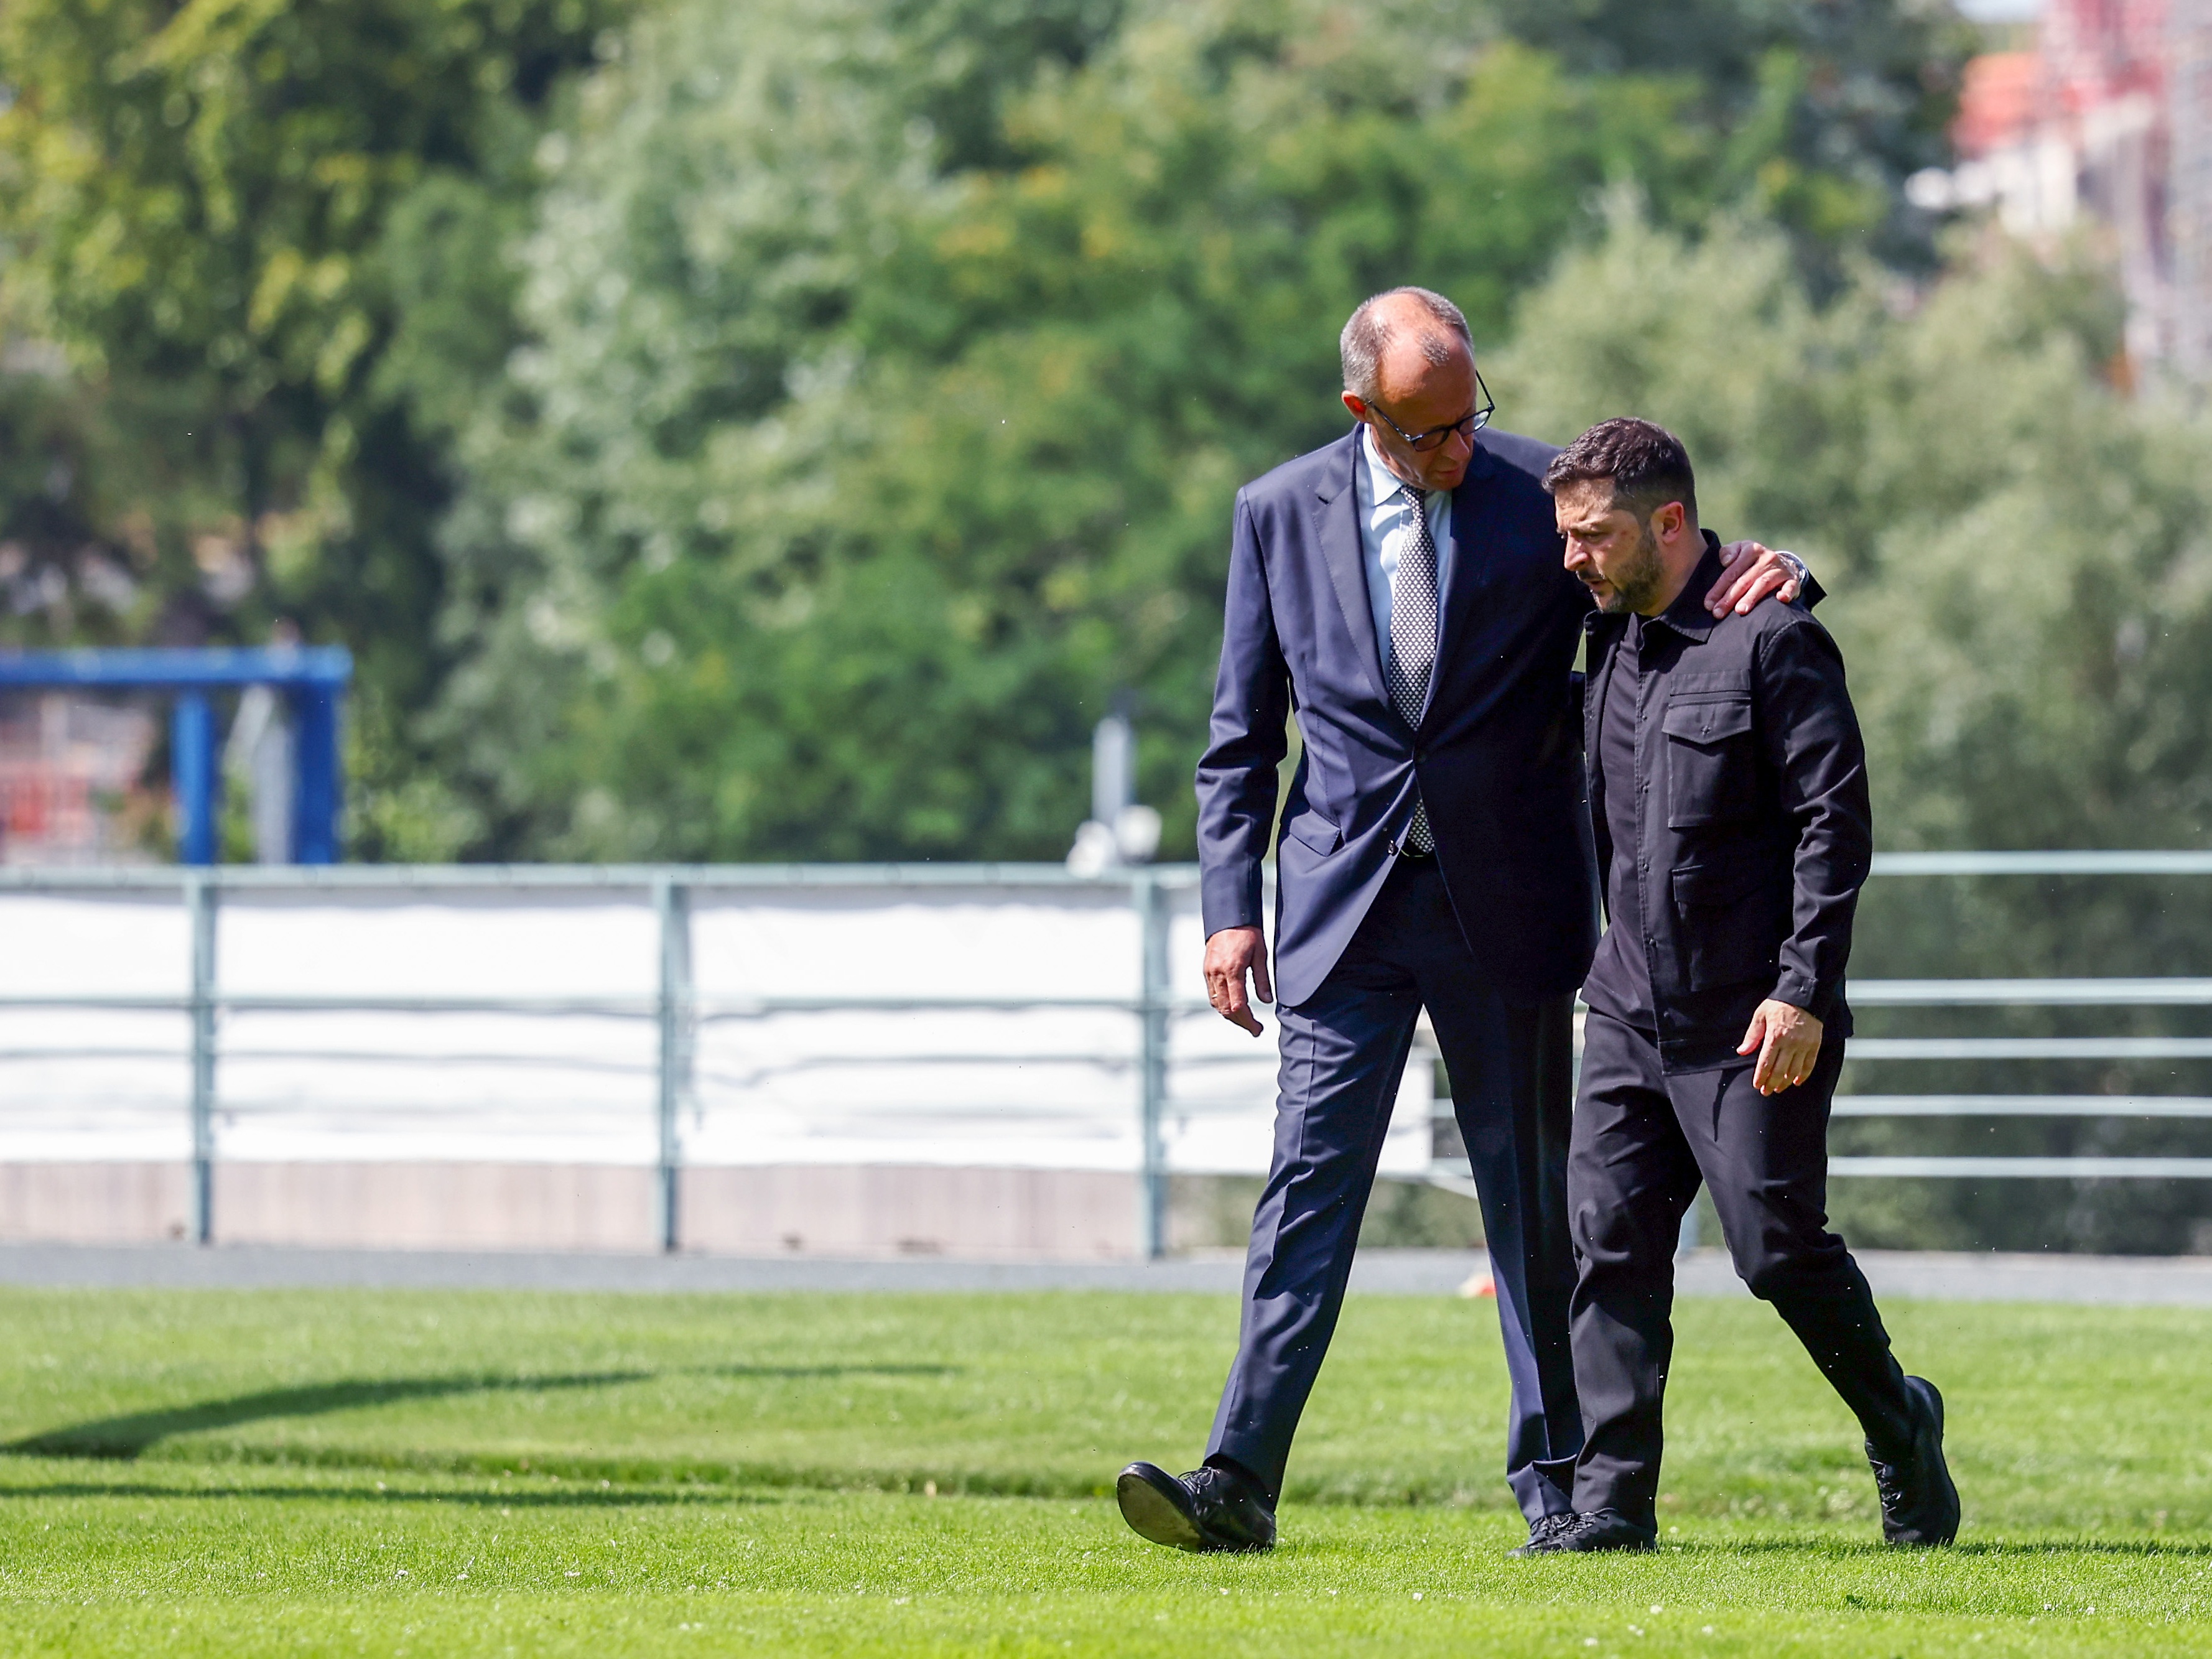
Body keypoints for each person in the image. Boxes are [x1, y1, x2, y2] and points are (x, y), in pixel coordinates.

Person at [1113, 289, 1811, 1555]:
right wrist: (1227, 910)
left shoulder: (1525, 495)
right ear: (1359, 411)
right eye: (1424, 431)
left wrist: (1786, 569)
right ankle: (1237, 1480)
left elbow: (1653, 561)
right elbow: (1235, 741)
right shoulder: (1273, 513)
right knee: (1303, 1198)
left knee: (1530, 1207)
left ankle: (1557, 1485)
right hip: (1339, 910)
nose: (1452, 450)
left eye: (1463, 419)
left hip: (1505, 904)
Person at [1515, 417, 1958, 1555]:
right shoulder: (1605, 630)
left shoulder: (1774, 641)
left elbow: (1833, 822)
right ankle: (1611, 1510)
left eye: (1595, 535)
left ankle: (1901, 1425)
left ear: (1671, 522)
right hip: (1625, 1007)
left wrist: (1806, 990)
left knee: (1774, 1247)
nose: (1575, 557)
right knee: (1608, 1245)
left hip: (1753, 1017)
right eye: (1568, 537)